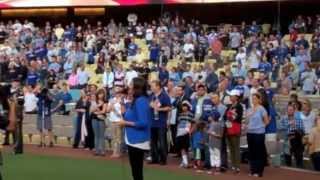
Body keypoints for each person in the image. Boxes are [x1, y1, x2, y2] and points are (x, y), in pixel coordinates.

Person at [117, 77, 151, 180]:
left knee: (137, 172)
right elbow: (125, 115)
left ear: (137, 87)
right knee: (135, 171)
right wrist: (122, 102)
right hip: (133, 139)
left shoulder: (141, 101)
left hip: (138, 140)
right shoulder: (135, 101)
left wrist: (125, 123)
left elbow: (143, 123)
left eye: (131, 84)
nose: (129, 86)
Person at [246, 93, 270, 177]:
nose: (253, 100)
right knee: (251, 152)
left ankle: (259, 171)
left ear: (259, 100)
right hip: (250, 133)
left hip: (259, 133)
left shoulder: (262, 109)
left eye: (255, 98)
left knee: (258, 152)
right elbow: (247, 121)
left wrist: (260, 126)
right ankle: (253, 170)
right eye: (252, 98)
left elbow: (267, 121)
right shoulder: (249, 109)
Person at [149, 80, 171, 165]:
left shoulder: (164, 96)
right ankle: (154, 158)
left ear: (158, 86)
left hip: (161, 122)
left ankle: (163, 159)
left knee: (162, 142)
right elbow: (148, 104)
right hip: (152, 122)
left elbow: (169, 108)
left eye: (153, 86)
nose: (151, 88)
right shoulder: (151, 96)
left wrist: (160, 109)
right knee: (153, 142)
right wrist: (150, 105)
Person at [223, 89, 243, 173]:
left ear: (236, 97)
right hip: (228, 128)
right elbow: (224, 116)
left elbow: (238, 117)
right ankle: (233, 165)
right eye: (230, 96)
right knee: (231, 148)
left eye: (232, 96)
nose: (230, 97)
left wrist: (231, 117)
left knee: (236, 147)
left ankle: (237, 166)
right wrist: (228, 118)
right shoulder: (229, 106)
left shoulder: (239, 106)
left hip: (235, 128)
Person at [278, 103, 305, 168]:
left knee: (296, 141)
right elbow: (279, 127)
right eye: (288, 110)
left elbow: (302, 131)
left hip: (296, 138)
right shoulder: (283, 119)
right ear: (286, 111)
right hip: (287, 138)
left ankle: (299, 165)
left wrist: (296, 127)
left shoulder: (299, 119)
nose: (290, 111)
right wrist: (289, 124)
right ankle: (289, 165)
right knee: (288, 144)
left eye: (291, 110)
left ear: (294, 111)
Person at [107, 86, 124, 158]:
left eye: (118, 92)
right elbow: (107, 110)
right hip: (112, 120)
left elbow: (123, 111)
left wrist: (117, 112)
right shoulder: (111, 100)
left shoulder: (122, 100)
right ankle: (114, 152)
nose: (117, 94)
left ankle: (119, 152)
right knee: (114, 137)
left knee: (119, 137)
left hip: (119, 120)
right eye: (116, 92)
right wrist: (111, 106)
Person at [176, 101, 194, 168]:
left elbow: (193, 123)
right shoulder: (180, 115)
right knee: (181, 148)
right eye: (183, 106)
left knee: (185, 148)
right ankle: (184, 162)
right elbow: (178, 123)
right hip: (180, 132)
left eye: (185, 106)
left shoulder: (190, 114)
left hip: (186, 132)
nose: (184, 107)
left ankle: (185, 162)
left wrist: (191, 131)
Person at [91, 89, 108, 156]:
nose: (100, 95)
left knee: (101, 135)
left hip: (101, 119)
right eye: (99, 94)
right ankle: (96, 150)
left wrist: (97, 112)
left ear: (104, 94)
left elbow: (104, 111)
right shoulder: (94, 101)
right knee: (96, 135)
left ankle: (102, 151)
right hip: (94, 119)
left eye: (102, 94)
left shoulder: (105, 101)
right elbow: (91, 110)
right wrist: (98, 106)